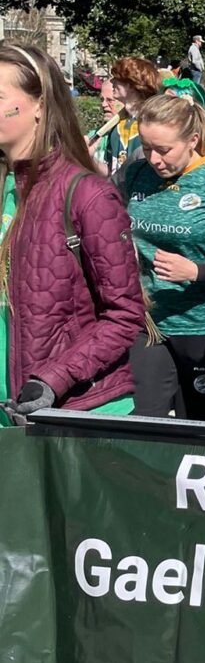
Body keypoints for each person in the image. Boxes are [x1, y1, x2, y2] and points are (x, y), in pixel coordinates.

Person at [0, 44, 143, 424]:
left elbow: (125, 315)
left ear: (40, 105)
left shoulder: (87, 196)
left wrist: (53, 378)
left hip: (72, 413)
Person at [122, 94, 205, 421]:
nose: (153, 159)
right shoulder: (134, 174)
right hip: (150, 323)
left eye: (164, 150)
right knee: (141, 422)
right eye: (146, 146)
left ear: (192, 140)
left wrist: (197, 271)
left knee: (201, 433)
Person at [104, 57, 159, 175]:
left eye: (117, 79)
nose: (112, 82)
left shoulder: (154, 121)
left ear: (132, 84)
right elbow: (111, 172)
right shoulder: (116, 124)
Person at [86, 80, 118, 173]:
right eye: (102, 99)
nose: (103, 105)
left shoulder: (131, 138)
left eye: (110, 100)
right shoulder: (93, 136)